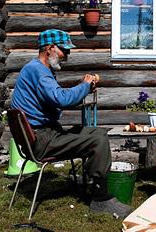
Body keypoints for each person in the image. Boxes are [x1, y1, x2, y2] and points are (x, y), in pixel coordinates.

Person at [11, 29, 132, 218]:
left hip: (40, 137)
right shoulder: (38, 71)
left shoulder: (36, 69)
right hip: (42, 140)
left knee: (93, 132)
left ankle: (94, 184)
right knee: (97, 138)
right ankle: (101, 199)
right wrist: (83, 85)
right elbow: (61, 99)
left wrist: (81, 89)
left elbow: (55, 101)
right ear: (50, 48)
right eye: (64, 50)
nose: (67, 56)